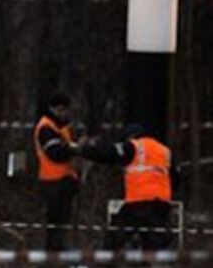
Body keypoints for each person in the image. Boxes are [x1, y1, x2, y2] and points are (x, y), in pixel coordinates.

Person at [78, 123, 179, 250]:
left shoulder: (134, 146)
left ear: (130, 137)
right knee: (154, 237)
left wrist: (85, 150)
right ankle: (152, 263)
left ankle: (106, 259)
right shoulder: (165, 151)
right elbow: (176, 178)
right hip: (162, 201)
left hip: (138, 200)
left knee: (117, 233)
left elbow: (109, 153)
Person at [33, 93, 80, 250]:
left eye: (65, 109)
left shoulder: (62, 127)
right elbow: (56, 154)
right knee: (55, 220)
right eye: (60, 109)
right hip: (52, 181)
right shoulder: (46, 128)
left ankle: (59, 248)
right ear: (52, 108)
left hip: (65, 180)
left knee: (63, 220)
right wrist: (74, 149)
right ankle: (53, 251)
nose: (63, 113)